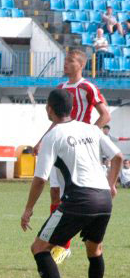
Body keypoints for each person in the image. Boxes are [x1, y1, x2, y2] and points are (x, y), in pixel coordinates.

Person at [21, 88, 122, 278]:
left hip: (79, 198)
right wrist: (112, 185)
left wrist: (28, 209)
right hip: (104, 199)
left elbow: (40, 178)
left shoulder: (52, 136)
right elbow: (117, 157)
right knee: (94, 250)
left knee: (39, 248)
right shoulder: (90, 129)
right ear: (72, 109)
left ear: (49, 109)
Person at [33, 49, 110, 265]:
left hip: (79, 149)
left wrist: (92, 133)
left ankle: (64, 246)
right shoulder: (60, 88)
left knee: (72, 194)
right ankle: (59, 244)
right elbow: (55, 120)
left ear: (81, 65)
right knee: (55, 193)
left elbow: (105, 115)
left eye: (70, 61)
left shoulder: (87, 87)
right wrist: (42, 141)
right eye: (65, 60)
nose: (65, 63)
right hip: (61, 146)